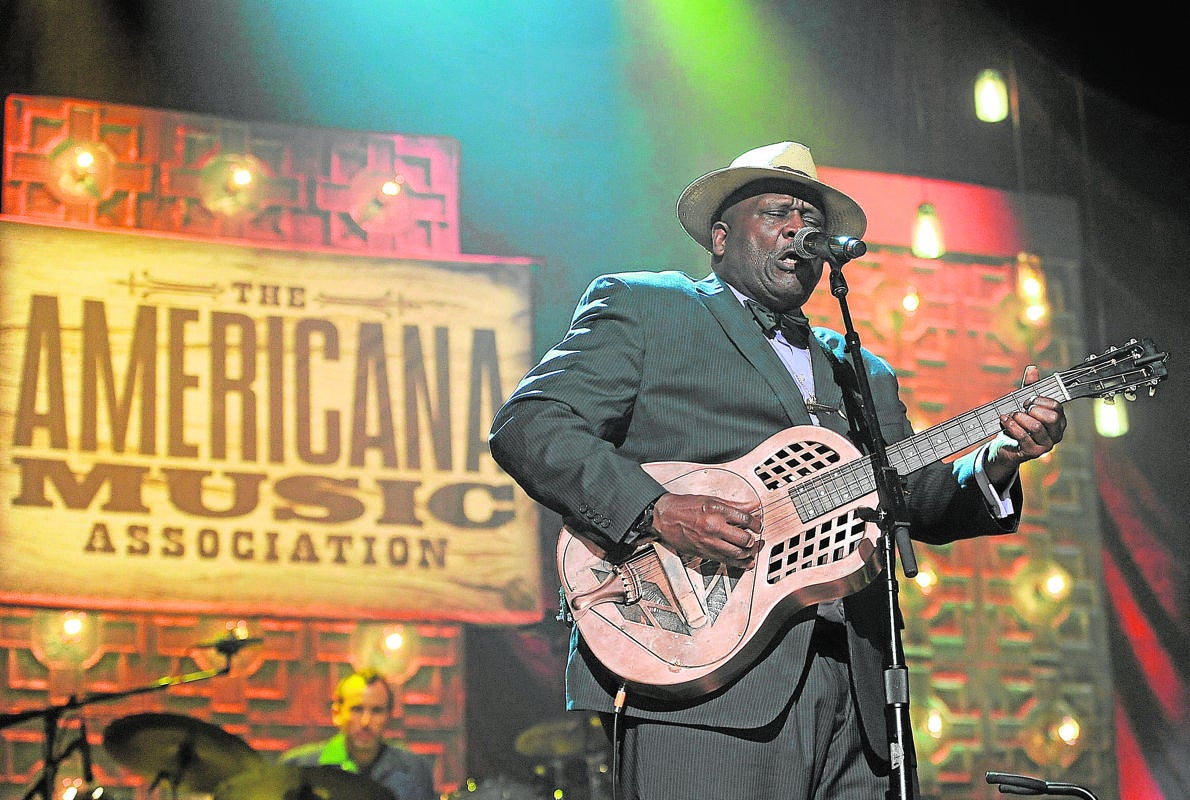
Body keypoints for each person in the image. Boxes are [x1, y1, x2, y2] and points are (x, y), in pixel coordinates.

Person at [487, 142, 1066, 800]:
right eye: (777, 214)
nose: (799, 230)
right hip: (707, 682)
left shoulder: (862, 372)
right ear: (721, 236)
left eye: (810, 222)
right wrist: (656, 510)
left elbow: (920, 500)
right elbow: (531, 425)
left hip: (859, 693)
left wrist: (1004, 455)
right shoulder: (649, 309)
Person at [279, 668, 435, 800]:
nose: (366, 722)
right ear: (336, 713)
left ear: (389, 716)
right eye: (357, 709)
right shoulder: (299, 766)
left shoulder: (415, 769)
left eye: (377, 711)